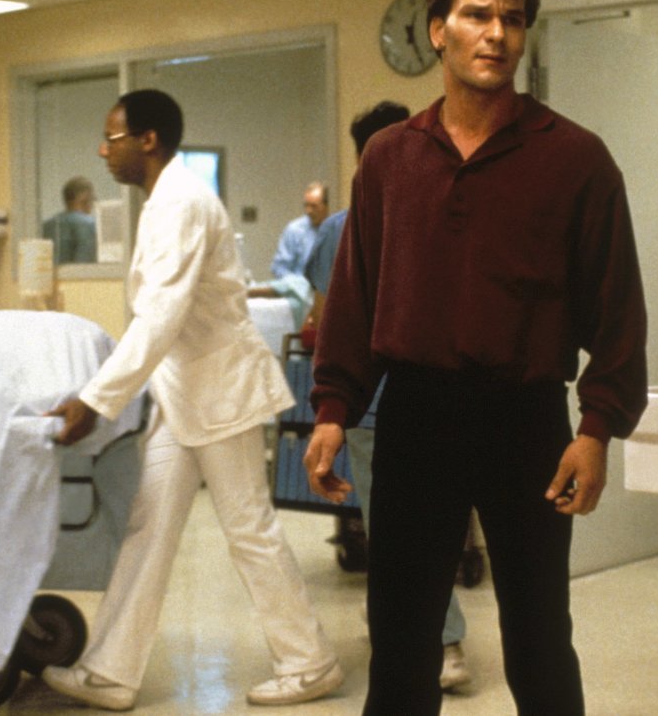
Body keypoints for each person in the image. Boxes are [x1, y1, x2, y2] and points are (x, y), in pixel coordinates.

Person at [304, 0, 648, 716]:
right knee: (400, 644)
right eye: (477, 15)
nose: (496, 33)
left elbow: (619, 312)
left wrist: (596, 429)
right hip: (415, 417)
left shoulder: (577, 160)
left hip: (525, 421)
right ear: (439, 30)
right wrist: (332, 409)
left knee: (538, 638)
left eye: (513, 19)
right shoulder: (390, 159)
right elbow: (355, 299)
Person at [43, 89, 343, 711]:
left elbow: (161, 315)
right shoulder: (165, 200)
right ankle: (110, 672)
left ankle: (310, 663)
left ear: (148, 140)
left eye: (112, 139)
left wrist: (95, 401)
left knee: (249, 530)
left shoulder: (181, 202)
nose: (103, 151)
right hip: (184, 393)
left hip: (218, 393)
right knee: (148, 528)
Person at [303, 100, 474, 692]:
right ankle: (409, 627)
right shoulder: (450, 209)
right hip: (447, 395)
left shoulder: (340, 228)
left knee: (400, 534)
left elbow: (324, 320)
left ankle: (445, 645)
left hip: (373, 405)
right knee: (434, 526)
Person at [270, 182, 328, 278]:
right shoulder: (294, 230)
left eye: (314, 206)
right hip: (300, 285)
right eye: (306, 205)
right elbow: (279, 268)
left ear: (325, 207)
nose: (308, 211)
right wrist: (298, 283)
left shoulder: (334, 230)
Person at [43, 175, 98, 264]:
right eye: (93, 199)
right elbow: (85, 264)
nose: (92, 205)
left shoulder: (46, 226)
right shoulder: (90, 224)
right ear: (85, 199)